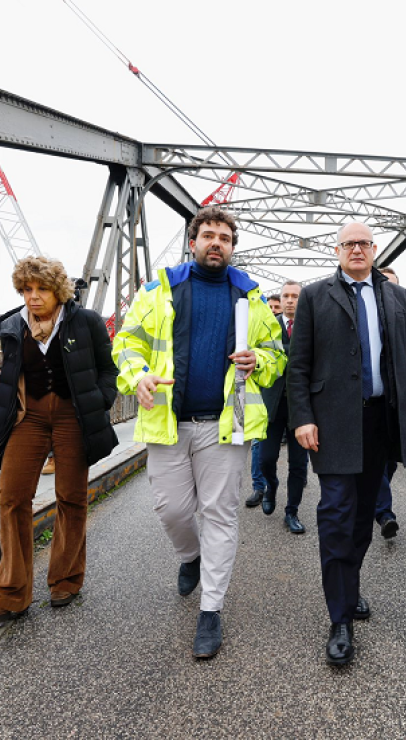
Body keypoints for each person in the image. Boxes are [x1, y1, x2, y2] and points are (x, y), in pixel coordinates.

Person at [112, 207, 285, 659]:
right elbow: (126, 341)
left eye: (224, 237)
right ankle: (191, 557)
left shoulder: (251, 295)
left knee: (221, 514)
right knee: (171, 510)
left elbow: (275, 354)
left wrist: (260, 361)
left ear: (232, 246)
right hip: (169, 422)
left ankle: (211, 610)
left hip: (224, 426)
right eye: (208, 235)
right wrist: (139, 375)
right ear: (192, 242)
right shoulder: (160, 289)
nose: (216, 243)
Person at [287, 222, 406, 666]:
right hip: (332, 425)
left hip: (381, 422)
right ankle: (340, 618)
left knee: (363, 518)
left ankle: (348, 590)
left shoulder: (396, 296)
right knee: (335, 513)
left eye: (364, 243)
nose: (357, 249)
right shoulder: (316, 296)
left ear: (374, 250)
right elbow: (299, 365)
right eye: (349, 243)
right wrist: (303, 418)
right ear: (337, 251)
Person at [0, 256, 119, 624]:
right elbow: (10, 378)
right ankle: (11, 593)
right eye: (26, 289)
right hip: (30, 417)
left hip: (73, 417)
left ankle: (66, 579)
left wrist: (99, 402)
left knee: (71, 497)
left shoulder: (85, 321)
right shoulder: (13, 326)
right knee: (12, 497)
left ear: (58, 291)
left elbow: (108, 369)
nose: (33, 297)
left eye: (41, 289)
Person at [257, 280, 310, 532]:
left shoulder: (311, 326)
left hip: (301, 408)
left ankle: (292, 511)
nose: (290, 300)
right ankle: (271, 485)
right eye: (286, 296)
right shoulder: (268, 327)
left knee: (298, 464)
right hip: (273, 405)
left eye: (295, 296)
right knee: (266, 459)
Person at [245, 294, 284, 507]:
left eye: (276, 307)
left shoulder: (289, 327)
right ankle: (258, 487)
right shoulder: (257, 327)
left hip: (283, 397)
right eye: (271, 307)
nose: (274, 310)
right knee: (258, 447)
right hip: (259, 398)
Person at [374, 267, 400, 539]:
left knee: (390, 462)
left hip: (396, 405)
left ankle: (375, 497)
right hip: (370, 404)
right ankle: (385, 514)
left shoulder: (403, 316)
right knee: (379, 460)